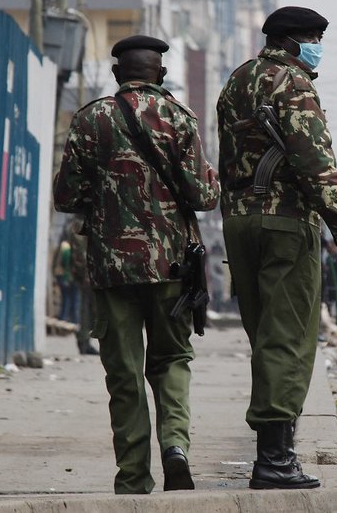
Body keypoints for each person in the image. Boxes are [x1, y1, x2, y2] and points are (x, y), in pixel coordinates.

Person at [53, 35, 220, 494]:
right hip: (172, 270)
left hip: (112, 269)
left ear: (116, 74)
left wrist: (104, 200)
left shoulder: (90, 119)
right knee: (171, 360)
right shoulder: (180, 119)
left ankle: (132, 477)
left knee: (124, 373)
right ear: (160, 74)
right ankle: (175, 448)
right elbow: (205, 197)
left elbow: (65, 195)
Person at [216, 6, 337, 490]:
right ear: (294, 40)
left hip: (239, 222)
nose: (320, 46)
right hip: (284, 222)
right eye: (316, 37)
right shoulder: (293, 83)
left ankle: (274, 449)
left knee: (264, 335)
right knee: (289, 336)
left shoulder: (237, 81)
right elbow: (313, 159)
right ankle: (275, 461)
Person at [63, 216, 99, 355]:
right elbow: (80, 252)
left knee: (88, 307)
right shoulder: (80, 222)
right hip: (86, 272)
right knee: (86, 308)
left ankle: (85, 340)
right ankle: (83, 340)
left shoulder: (82, 221)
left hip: (87, 272)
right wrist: (87, 272)